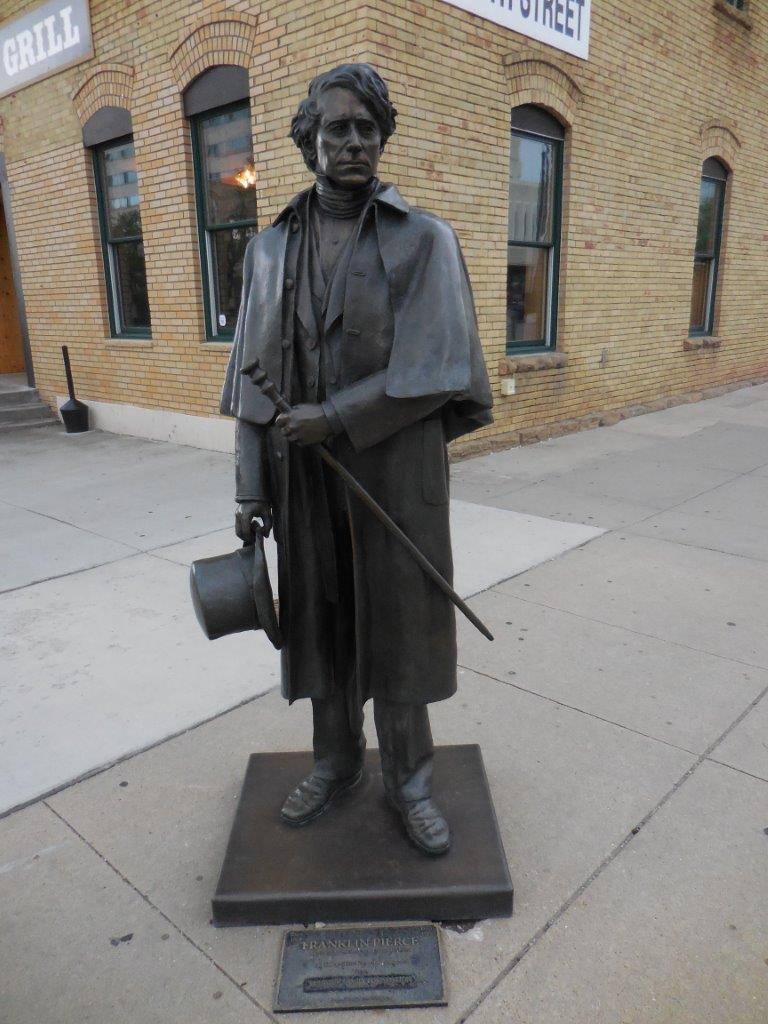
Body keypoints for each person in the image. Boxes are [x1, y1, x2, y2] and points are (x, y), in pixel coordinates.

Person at [221, 63, 492, 855]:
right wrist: (249, 489)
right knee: (323, 627)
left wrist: (333, 417)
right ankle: (336, 763)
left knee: (400, 633)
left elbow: (437, 369)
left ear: (382, 138)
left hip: (395, 480)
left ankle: (409, 782)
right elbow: (249, 386)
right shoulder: (269, 251)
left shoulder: (425, 240)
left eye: (366, 128)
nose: (352, 142)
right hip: (305, 487)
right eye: (336, 128)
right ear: (308, 140)